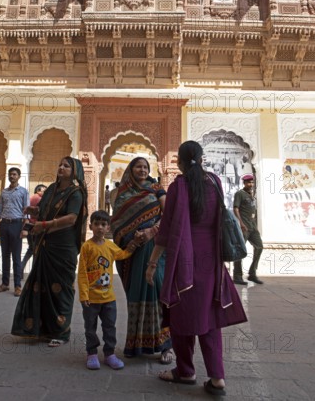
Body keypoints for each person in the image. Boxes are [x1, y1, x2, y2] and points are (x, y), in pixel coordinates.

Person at [146, 141, 247, 397]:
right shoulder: (214, 181)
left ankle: (186, 371)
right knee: (210, 320)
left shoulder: (178, 187)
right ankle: (217, 378)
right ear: (202, 159)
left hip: (185, 263)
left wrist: (153, 262)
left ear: (179, 161)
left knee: (182, 317)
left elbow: (167, 232)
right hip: (211, 262)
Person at [11, 156, 87, 346]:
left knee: (61, 289)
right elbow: (46, 210)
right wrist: (34, 211)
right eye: (60, 164)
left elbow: (70, 219)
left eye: (66, 166)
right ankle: (42, 328)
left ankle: (61, 332)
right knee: (41, 286)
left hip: (63, 247)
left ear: (74, 171)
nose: (61, 167)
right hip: (45, 244)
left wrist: (45, 224)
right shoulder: (52, 189)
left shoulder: (75, 193)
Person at [111, 157, 173, 363]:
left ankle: (166, 346)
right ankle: (137, 344)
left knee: (158, 289)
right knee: (136, 292)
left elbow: (169, 215)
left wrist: (151, 231)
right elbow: (117, 223)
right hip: (133, 253)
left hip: (156, 248)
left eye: (146, 167)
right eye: (138, 166)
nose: (143, 170)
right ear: (130, 169)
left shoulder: (156, 189)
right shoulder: (121, 194)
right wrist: (133, 239)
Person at [78, 210, 141, 370]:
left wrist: (133, 245)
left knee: (109, 327)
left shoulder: (110, 246)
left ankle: (109, 354)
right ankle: (91, 353)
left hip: (109, 298)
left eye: (103, 224)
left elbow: (123, 254)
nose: (100, 227)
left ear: (108, 228)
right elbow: (83, 273)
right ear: (91, 226)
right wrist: (84, 294)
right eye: (97, 224)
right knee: (90, 328)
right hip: (91, 299)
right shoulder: (87, 247)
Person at [0, 167, 29, 297]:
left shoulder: (23, 192)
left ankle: (18, 286)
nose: (11, 176)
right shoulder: (4, 192)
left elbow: (26, 212)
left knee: (16, 257)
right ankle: (4, 284)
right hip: (4, 225)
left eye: (14, 174)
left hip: (17, 225)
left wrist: (25, 229)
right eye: (10, 174)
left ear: (18, 176)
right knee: (5, 255)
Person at [233, 174, 264, 285]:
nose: (251, 184)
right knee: (240, 250)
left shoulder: (252, 195)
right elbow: (235, 209)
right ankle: (237, 276)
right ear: (244, 183)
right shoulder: (240, 194)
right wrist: (240, 223)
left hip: (253, 227)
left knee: (259, 247)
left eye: (252, 182)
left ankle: (252, 273)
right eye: (248, 182)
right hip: (244, 226)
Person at [21, 184, 47, 278]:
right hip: (36, 227)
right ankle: (33, 272)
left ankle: (21, 268)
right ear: (38, 190)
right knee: (35, 249)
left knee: (31, 249)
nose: (45, 192)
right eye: (44, 190)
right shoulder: (39, 199)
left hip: (29, 226)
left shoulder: (31, 198)